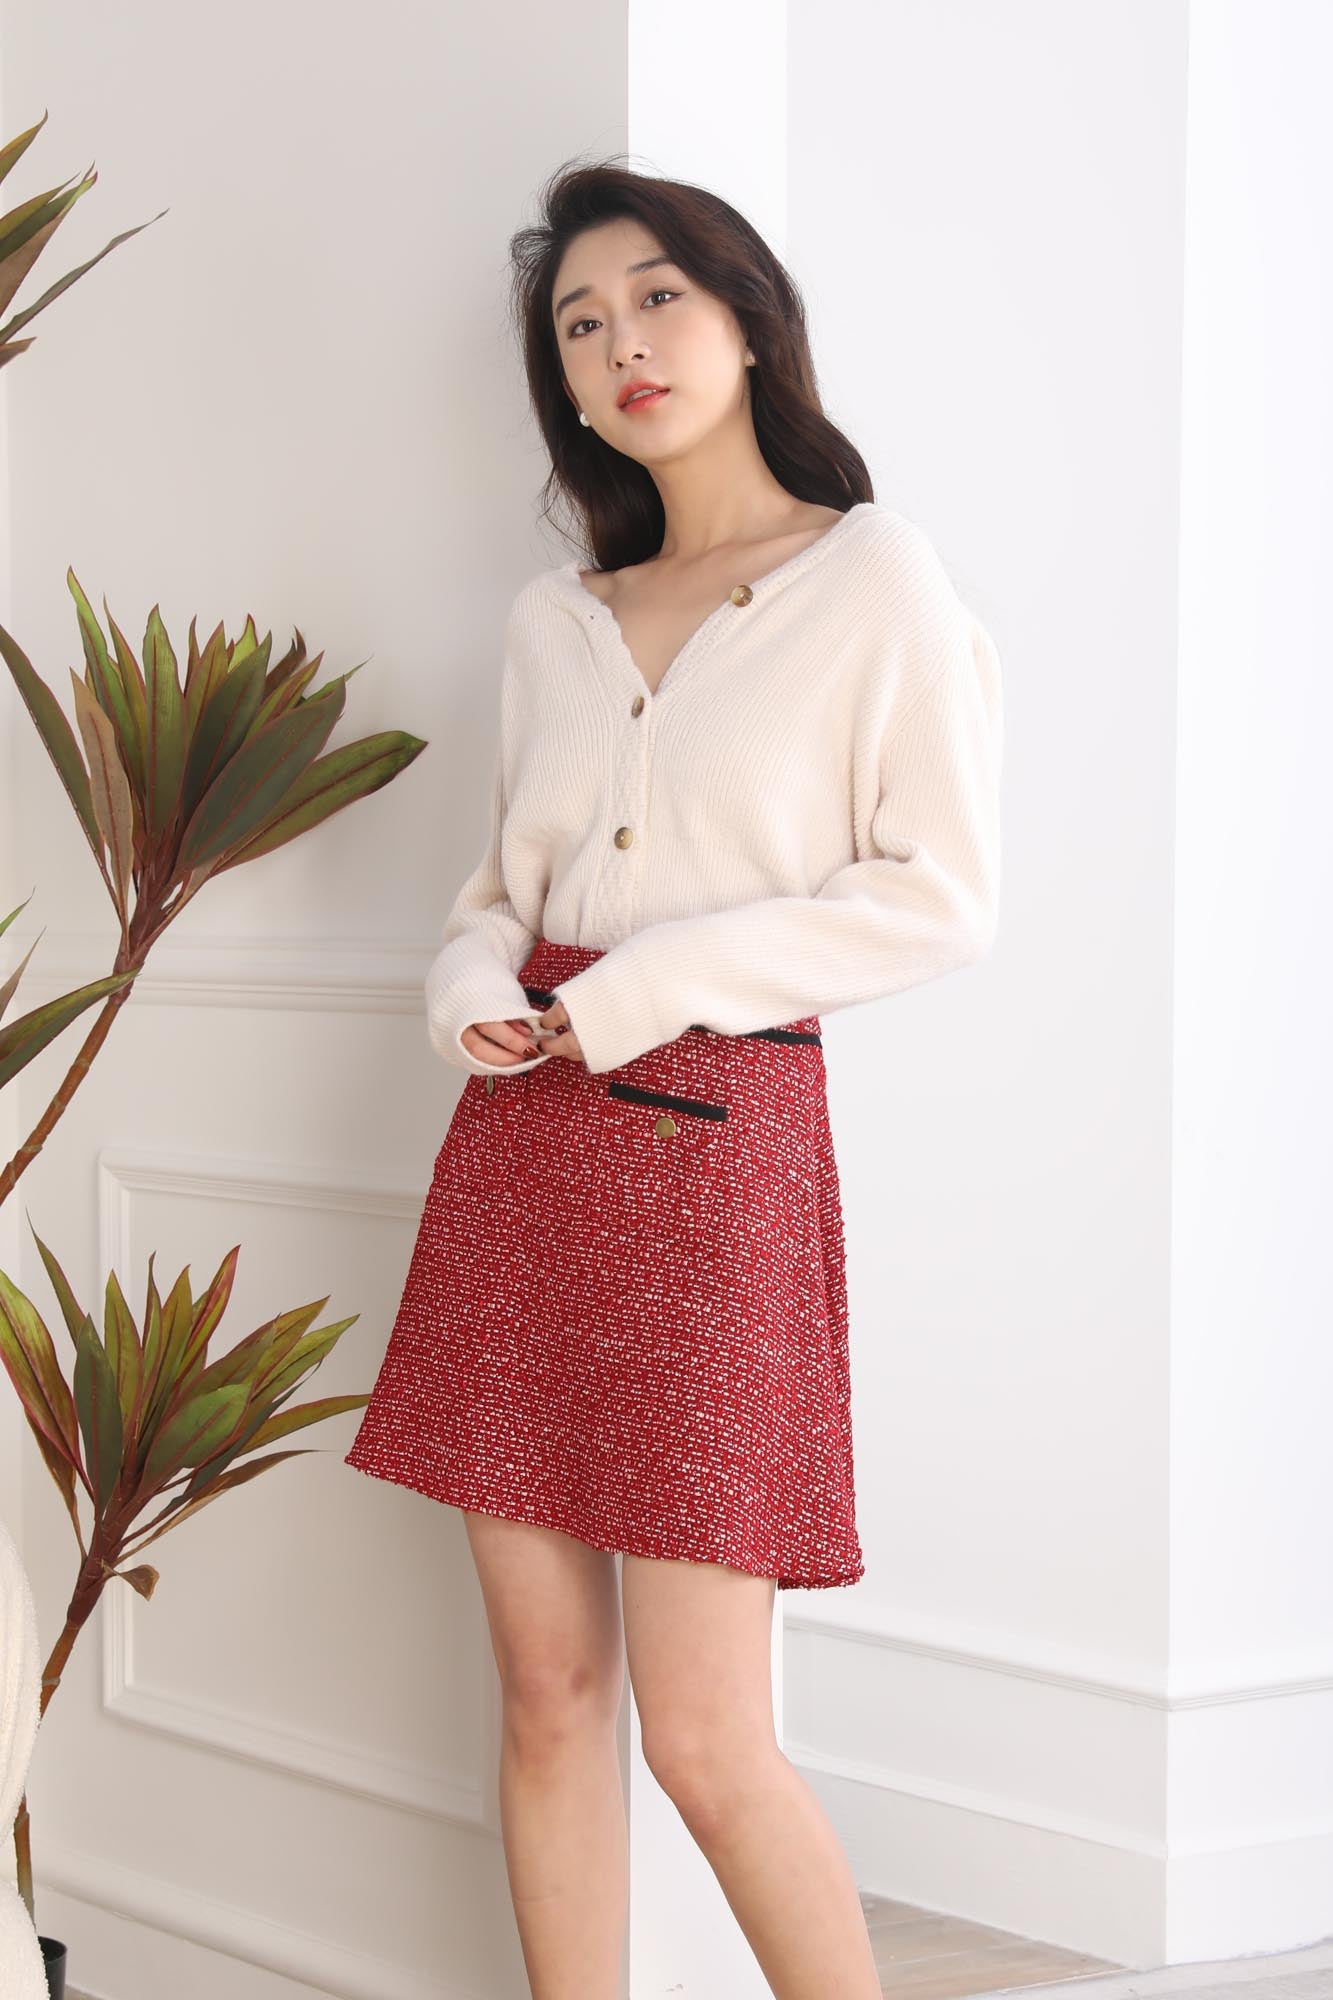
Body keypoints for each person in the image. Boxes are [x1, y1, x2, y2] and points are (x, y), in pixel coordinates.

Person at [346, 155, 1004, 1999]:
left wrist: (649, 989)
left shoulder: (872, 576)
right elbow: (499, 893)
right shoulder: (553, 620)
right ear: (560, 386)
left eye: (656, 300)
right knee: (545, 1695)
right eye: (579, 326)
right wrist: (469, 985)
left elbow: (938, 896)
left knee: (706, 1738)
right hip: (518, 1149)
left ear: (745, 321)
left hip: (718, 1154)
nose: (620, 346)